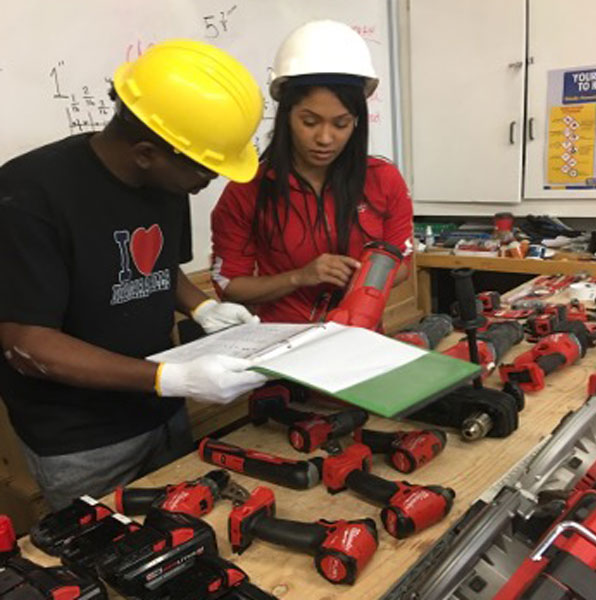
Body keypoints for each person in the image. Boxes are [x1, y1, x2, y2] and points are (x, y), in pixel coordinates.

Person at [0, 40, 268, 510]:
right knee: (110, 564)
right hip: (83, 442)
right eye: (206, 169)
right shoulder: (27, 197)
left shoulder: (165, 179)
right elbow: (28, 344)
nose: (211, 180)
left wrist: (202, 306)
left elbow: (160, 264)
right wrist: (170, 377)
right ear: (146, 152)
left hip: (163, 413)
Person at [211, 20, 414, 326]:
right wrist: (299, 277)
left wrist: (364, 282)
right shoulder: (248, 189)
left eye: (341, 124)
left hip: (361, 342)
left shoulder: (383, 180)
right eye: (309, 121)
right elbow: (230, 285)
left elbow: (401, 264)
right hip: (281, 348)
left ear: (356, 123)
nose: (324, 138)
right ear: (286, 116)